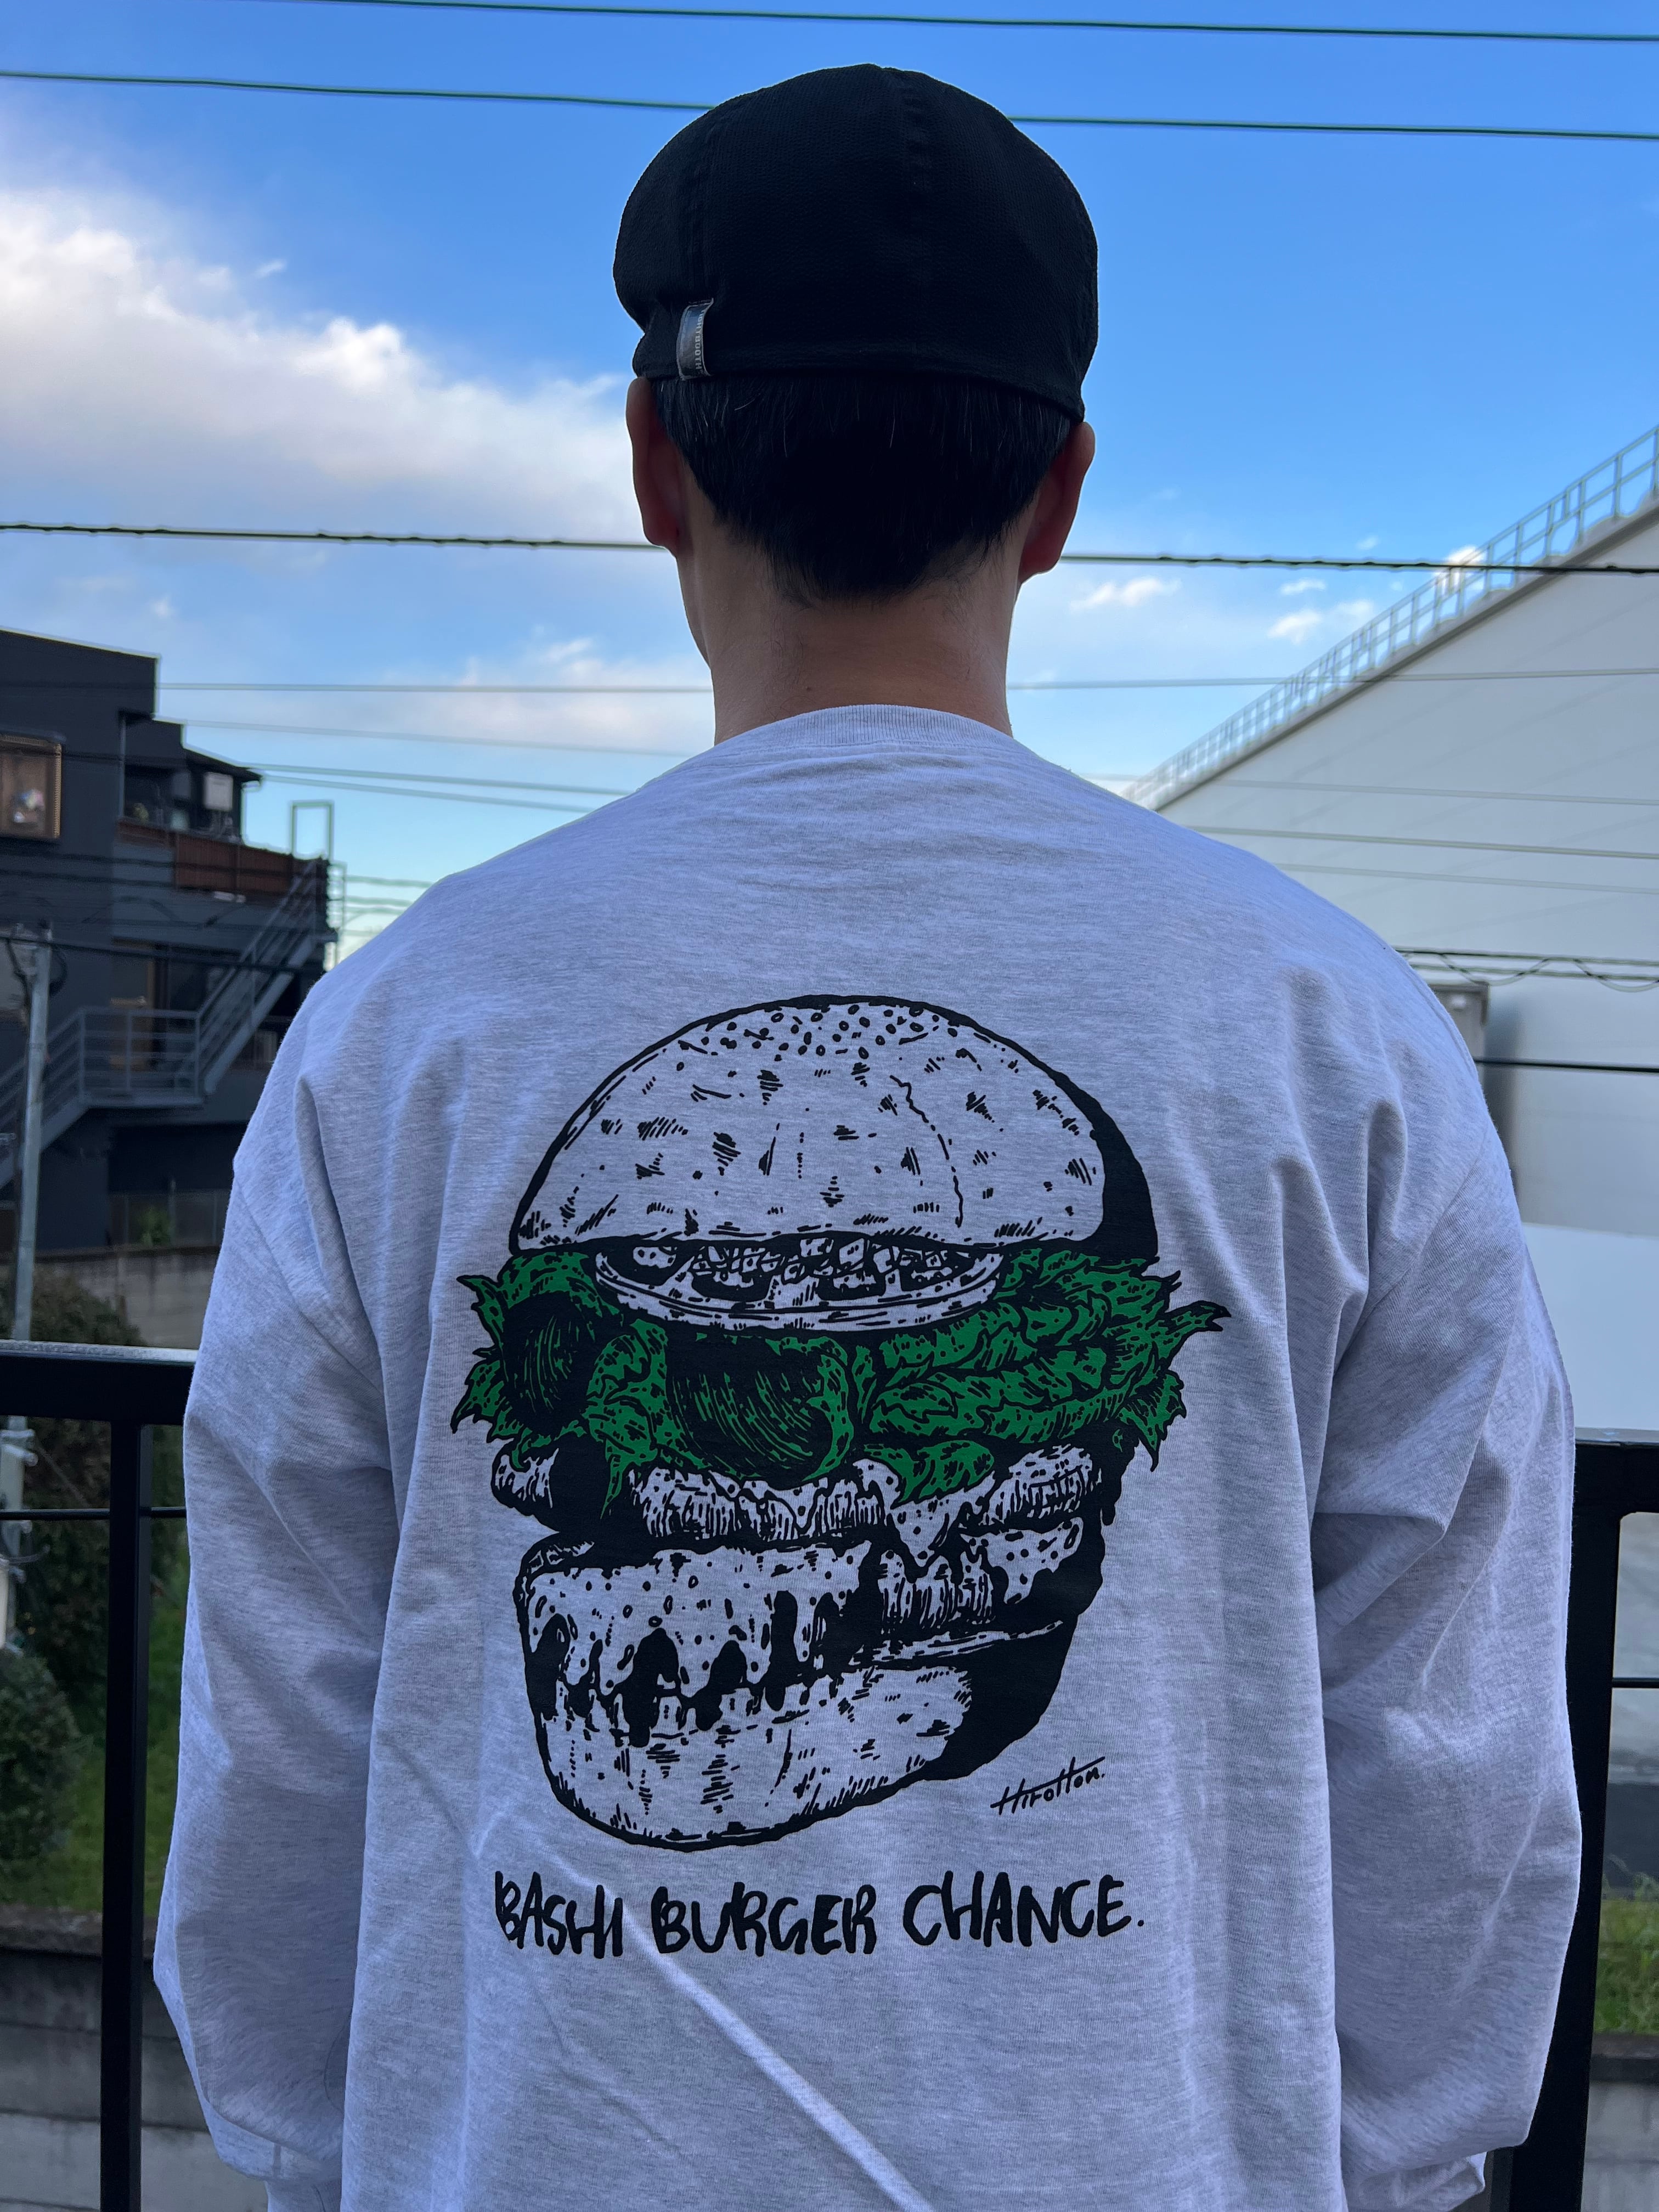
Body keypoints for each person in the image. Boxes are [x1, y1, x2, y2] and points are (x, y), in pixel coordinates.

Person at [157, 64, 1580, 2212]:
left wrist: (324, 2152)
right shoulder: (1341, 1031)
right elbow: (1450, 1770)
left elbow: (284, 1726)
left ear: (655, 466)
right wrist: (1372, 2168)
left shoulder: (400, 1028)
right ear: (1062, 490)